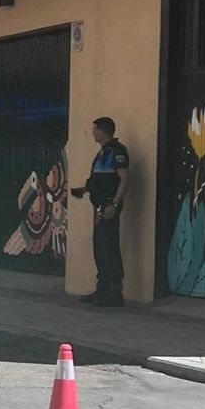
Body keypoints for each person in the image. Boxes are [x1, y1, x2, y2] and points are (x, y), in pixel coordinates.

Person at [70, 117, 131, 306]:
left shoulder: (117, 151)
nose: (93, 133)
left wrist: (113, 204)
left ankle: (114, 292)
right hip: (99, 205)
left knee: (108, 246)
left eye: (95, 130)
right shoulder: (103, 152)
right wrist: (84, 190)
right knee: (100, 247)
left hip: (108, 205)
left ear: (103, 131)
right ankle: (102, 289)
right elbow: (100, 180)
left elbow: (124, 179)